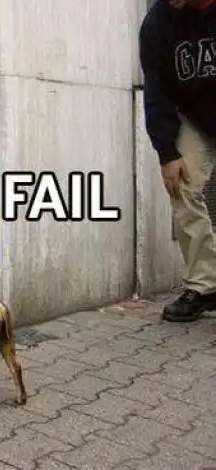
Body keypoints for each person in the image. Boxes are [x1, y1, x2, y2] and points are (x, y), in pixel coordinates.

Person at [139, 0, 216, 322]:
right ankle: (205, 284)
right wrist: (167, 152)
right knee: (182, 184)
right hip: (197, 119)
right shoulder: (158, 22)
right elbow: (156, 92)